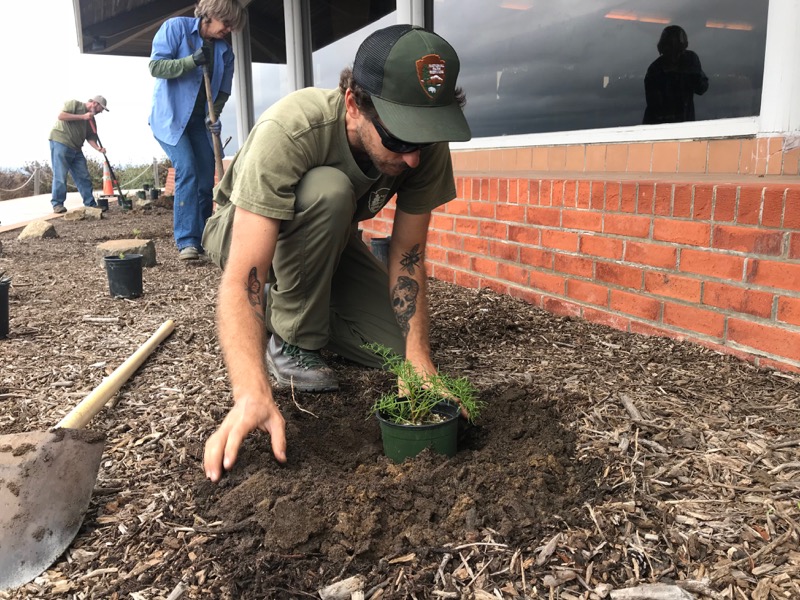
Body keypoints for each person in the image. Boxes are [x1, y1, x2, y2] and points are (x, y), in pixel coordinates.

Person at [201, 24, 471, 482]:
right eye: (401, 140)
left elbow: (407, 254)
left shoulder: (424, 147)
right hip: (243, 230)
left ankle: (298, 300)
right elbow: (244, 274)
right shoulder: (291, 129)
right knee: (329, 189)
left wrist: (418, 356)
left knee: (397, 348)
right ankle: (291, 341)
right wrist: (250, 389)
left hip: (327, 237)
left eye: (423, 142)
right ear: (353, 103)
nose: (413, 159)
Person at [148, 0, 246, 260]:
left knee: (205, 178)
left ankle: (205, 239)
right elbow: (156, 67)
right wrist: (191, 61)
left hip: (198, 123)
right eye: (226, 23)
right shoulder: (175, 29)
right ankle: (187, 240)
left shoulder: (225, 52)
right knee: (188, 169)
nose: (228, 30)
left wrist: (214, 117)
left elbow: (222, 92)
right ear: (211, 15)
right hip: (170, 119)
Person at [48, 96, 109, 214]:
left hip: (76, 148)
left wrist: (98, 148)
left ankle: (90, 204)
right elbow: (61, 116)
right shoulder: (74, 104)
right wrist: (83, 117)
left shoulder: (91, 120)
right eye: (101, 109)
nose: (100, 112)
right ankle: (57, 204)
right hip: (61, 142)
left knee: (84, 176)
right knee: (60, 175)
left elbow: (90, 137)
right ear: (95, 104)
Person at [643, 25, 709, 125]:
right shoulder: (655, 70)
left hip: (688, 128)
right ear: (663, 49)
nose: (675, 55)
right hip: (659, 129)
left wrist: (689, 70)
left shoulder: (690, 60)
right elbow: (656, 107)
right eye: (670, 48)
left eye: (678, 49)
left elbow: (701, 88)